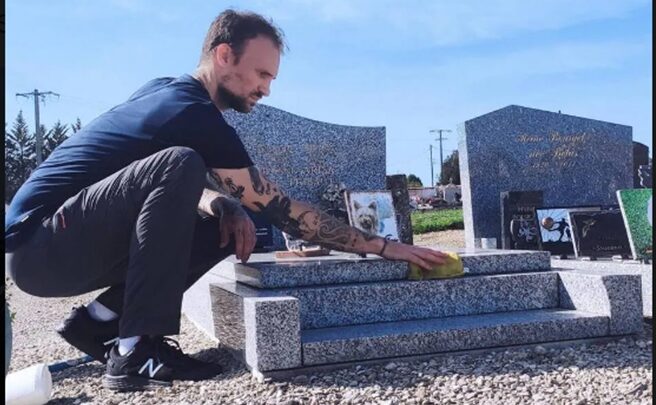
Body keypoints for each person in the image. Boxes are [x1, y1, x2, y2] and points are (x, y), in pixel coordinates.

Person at [4, 9, 448, 392]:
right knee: (186, 165)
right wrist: (385, 246)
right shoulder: (192, 112)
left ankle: (99, 321)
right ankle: (135, 347)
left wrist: (223, 204)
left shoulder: (169, 91)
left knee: (233, 222)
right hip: (41, 245)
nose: (266, 89)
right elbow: (281, 211)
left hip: (67, 245)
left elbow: (161, 186)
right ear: (223, 56)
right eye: (261, 74)